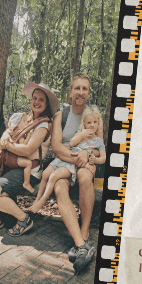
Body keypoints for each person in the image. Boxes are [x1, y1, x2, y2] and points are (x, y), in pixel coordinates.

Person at [0, 82, 58, 237]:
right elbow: (10, 129)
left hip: (29, 170)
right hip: (14, 164)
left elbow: (28, 151)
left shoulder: (43, 125)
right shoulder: (27, 119)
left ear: (47, 104)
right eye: (34, 98)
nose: (36, 102)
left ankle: (24, 219)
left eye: (41, 99)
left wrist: (7, 146)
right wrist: (5, 137)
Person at [48, 74, 100, 273]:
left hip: (86, 162)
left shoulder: (94, 116)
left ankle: (84, 234)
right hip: (65, 162)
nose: (80, 92)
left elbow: (99, 148)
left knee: (85, 177)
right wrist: (76, 159)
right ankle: (81, 246)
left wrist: (87, 155)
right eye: (76, 88)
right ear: (70, 92)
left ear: (88, 93)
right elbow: (56, 146)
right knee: (60, 187)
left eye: (84, 89)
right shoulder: (62, 115)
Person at [29, 105, 105, 215]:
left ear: (98, 124)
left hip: (72, 164)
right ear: (84, 123)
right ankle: (36, 201)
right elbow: (71, 143)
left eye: (94, 122)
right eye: (89, 123)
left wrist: (95, 160)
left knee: (53, 176)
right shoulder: (81, 133)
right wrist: (81, 134)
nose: (91, 125)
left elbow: (103, 157)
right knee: (45, 174)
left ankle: (41, 202)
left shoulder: (98, 142)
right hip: (64, 158)